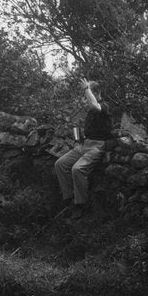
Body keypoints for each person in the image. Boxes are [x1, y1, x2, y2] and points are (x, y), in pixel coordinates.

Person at [54, 78, 113, 218]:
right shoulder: (90, 112)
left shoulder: (104, 106)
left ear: (97, 93)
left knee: (77, 169)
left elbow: (95, 105)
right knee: (60, 164)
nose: (85, 96)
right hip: (84, 145)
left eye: (89, 92)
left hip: (97, 146)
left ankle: (80, 204)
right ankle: (68, 198)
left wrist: (86, 88)